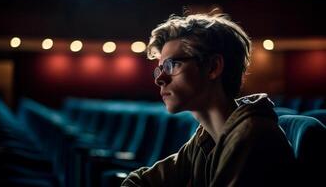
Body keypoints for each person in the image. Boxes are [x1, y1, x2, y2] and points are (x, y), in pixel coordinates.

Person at [121, 11, 296, 186]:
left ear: (213, 67)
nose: (159, 79)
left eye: (172, 65)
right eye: (160, 69)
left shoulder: (251, 137)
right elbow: (141, 182)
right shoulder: (206, 137)